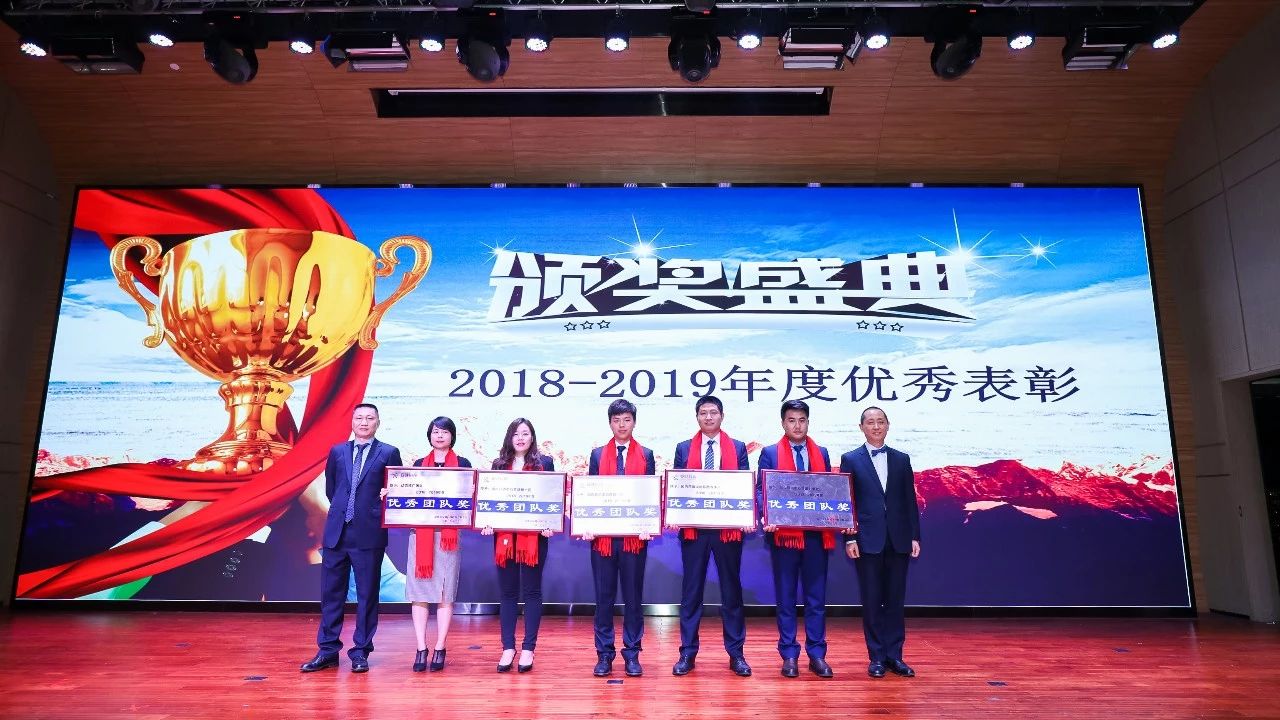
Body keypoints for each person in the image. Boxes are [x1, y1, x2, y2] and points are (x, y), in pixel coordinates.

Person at [301, 403, 403, 674]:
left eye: (370, 418)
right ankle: (327, 651)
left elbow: (396, 490)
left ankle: (361, 652)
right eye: (359, 418)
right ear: (352, 421)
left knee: (367, 596)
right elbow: (332, 489)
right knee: (331, 594)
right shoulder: (338, 451)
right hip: (337, 533)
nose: (364, 422)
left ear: (378, 423)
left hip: (369, 534)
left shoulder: (389, 452)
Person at [758, 399, 849, 679]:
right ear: (783, 423)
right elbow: (761, 490)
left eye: (802, 420)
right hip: (783, 537)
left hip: (816, 537)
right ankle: (789, 655)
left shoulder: (821, 452)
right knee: (785, 598)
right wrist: (767, 514)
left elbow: (829, 490)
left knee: (816, 599)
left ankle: (817, 654)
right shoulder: (770, 453)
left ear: (808, 422)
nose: (797, 426)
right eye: (791, 420)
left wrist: (841, 517)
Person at [669, 395, 754, 678]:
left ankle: (736, 654)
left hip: (727, 531)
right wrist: (674, 513)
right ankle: (687, 653)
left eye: (713, 412)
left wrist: (746, 517)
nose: (708, 417)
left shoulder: (738, 447)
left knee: (731, 592)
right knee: (691, 593)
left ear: (722, 416)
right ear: (697, 417)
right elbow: (678, 487)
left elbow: (744, 485)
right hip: (694, 531)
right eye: (703, 413)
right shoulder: (683, 448)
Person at [839, 406, 922, 679]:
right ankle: (876, 657)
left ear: (888, 425)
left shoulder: (901, 459)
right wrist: (850, 537)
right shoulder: (850, 459)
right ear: (861, 427)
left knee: (895, 601)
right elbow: (847, 501)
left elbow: (909, 501)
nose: (876, 426)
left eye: (880, 421)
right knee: (872, 600)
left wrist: (914, 536)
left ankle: (895, 656)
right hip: (867, 540)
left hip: (899, 539)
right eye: (870, 422)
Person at [583, 399, 657, 678]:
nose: (622, 425)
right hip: (603, 540)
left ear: (634, 422)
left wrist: (649, 524)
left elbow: (649, 494)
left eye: (626, 420)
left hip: (634, 539)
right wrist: (588, 525)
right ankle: (604, 655)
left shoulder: (646, 454)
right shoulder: (597, 455)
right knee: (603, 599)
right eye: (616, 420)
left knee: (633, 598)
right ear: (610, 423)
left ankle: (632, 653)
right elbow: (591, 494)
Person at [480, 418, 556, 674]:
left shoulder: (545, 463)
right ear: (509, 438)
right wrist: (487, 522)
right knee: (508, 593)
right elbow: (490, 499)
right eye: (516, 434)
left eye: (525, 433)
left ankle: (528, 649)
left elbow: (552, 497)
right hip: (504, 537)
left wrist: (550, 523)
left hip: (535, 537)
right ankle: (508, 648)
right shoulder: (498, 465)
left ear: (532, 437)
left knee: (532, 591)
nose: (520, 438)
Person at [407, 416, 471, 672]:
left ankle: (440, 646)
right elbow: (408, 496)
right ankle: (421, 647)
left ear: (452, 436)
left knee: (446, 593)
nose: (440, 435)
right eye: (435, 431)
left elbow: (468, 499)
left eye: (445, 431)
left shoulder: (463, 464)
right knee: (419, 593)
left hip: (448, 537)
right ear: (429, 435)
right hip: (421, 535)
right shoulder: (418, 465)